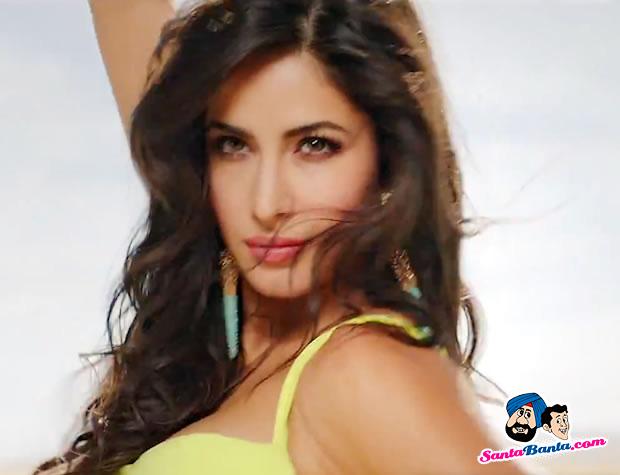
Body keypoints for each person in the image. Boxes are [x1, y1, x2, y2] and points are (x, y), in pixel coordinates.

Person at [35, 0, 527, 474]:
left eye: (315, 145)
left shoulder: (363, 373)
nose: (266, 203)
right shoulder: (218, 353)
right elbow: (125, 10)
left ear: (388, 163)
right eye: (232, 145)